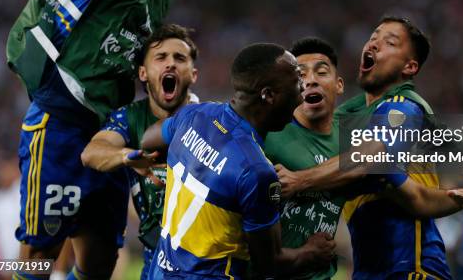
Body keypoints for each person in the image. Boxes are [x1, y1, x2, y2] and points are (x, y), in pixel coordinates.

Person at [5, 0, 185, 279]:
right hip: (60, 124)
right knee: (38, 253)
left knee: (101, 262)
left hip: (109, 134)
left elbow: (145, 60)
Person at [276, 16, 463, 280]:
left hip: (411, 270)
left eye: (389, 42)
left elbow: (369, 160)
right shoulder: (349, 116)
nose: (373, 44)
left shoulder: (404, 106)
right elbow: (415, 198)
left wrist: (298, 181)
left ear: (409, 66)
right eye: (373, 37)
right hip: (368, 272)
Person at [142, 43, 336, 279]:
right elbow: (270, 264)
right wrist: (312, 252)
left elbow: (148, 140)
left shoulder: (194, 115)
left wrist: (155, 158)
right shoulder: (256, 172)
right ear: (268, 95)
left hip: (160, 272)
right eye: (297, 80)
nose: (303, 87)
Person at [80, 24, 199, 280]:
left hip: (207, 264)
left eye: (179, 58)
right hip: (155, 263)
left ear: (193, 74)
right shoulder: (129, 118)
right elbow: (92, 152)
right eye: (161, 57)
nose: (170, 64)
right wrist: (128, 156)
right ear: (143, 72)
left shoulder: (213, 120)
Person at [263, 37, 346, 280]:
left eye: (321, 72)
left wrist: (456, 199)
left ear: (339, 84)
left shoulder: (351, 134)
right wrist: (304, 253)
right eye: (300, 75)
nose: (310, 80)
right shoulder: (268, 131)